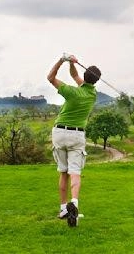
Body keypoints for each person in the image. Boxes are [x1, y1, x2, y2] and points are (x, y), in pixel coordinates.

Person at [47, 54, 101, 227]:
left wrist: (63, 60)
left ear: (84, 77)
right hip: (77, 135)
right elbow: (75, 76)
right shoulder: (92, 94)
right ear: (96, 81)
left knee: (63, 172)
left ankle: (64, 208)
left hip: (59, 132)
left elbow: (51, 77)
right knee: (75, 172)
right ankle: (74, 204)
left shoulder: (71, 92)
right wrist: (72, 63)